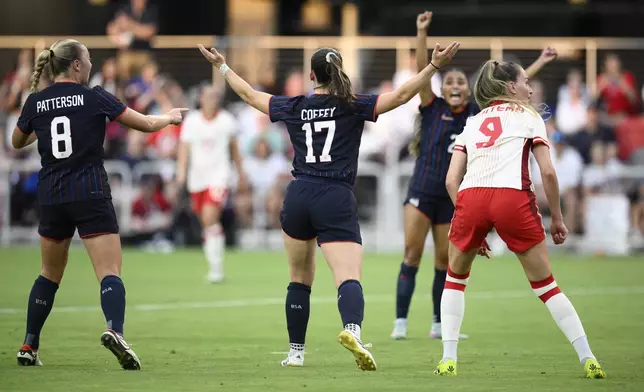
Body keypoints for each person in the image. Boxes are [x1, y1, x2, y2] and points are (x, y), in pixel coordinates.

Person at [198, 39, 460, 370]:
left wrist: (222, 65)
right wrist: (433, 66)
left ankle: (295, 353)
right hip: (334, 195)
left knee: (298, 278)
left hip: (298, 194)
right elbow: (402, 96)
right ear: (339, 73)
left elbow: (250, 95)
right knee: (348, 275)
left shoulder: (294, 105)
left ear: (311, 75)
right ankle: (352, 330)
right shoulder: (352, 104)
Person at [11, 39, 187, 370]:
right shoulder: (94, 96)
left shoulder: (36, 101)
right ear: (76, 65)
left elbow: (17, 141)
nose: (91, 63)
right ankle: (115, 331)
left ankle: (29, 344)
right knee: (109, 271)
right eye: (88, 58)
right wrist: (170, 118)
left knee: (49, 273)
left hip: (52, 195)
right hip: (90, 190)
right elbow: (144, 123)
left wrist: (42, 122)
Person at [433, 59, 606, 379]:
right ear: (511, 87)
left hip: (471, 196)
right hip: (511, 197)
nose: (530, 87)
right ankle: (588, 358)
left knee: (455, 280)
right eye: (526, 81)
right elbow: (549, 172)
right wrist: (557, 218)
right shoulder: (529, 116)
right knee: (546, 286)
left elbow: (450, 180)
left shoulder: (473, 121)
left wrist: (468, 219)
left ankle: (448, 359)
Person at [392, 11, 558, 340]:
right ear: (443, 88)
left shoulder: (475, 116)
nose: (454, 86)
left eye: (459, 83)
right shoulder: (432, 107)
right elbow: (423, 75)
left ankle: (439, 323)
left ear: (469, 90)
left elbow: (510, 93)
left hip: (453, 196)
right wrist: (421, 34)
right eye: (449, 82)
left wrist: (538, 63)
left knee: (444, 260)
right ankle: (400, 322)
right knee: (411, 254)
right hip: (422, 191)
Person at [176, 85, 246, 283]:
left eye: (215, 97)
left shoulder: (227, 121)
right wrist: (181, 172)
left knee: (210, 215)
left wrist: (241, 174)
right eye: (208, 97)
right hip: (197, 178)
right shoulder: (192, 121)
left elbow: (234, 150)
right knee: (205, 221)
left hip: (219, 176)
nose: (212, 100)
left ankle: (216, 267)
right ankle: (213, 262)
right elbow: (184, 147)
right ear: (201, 99)